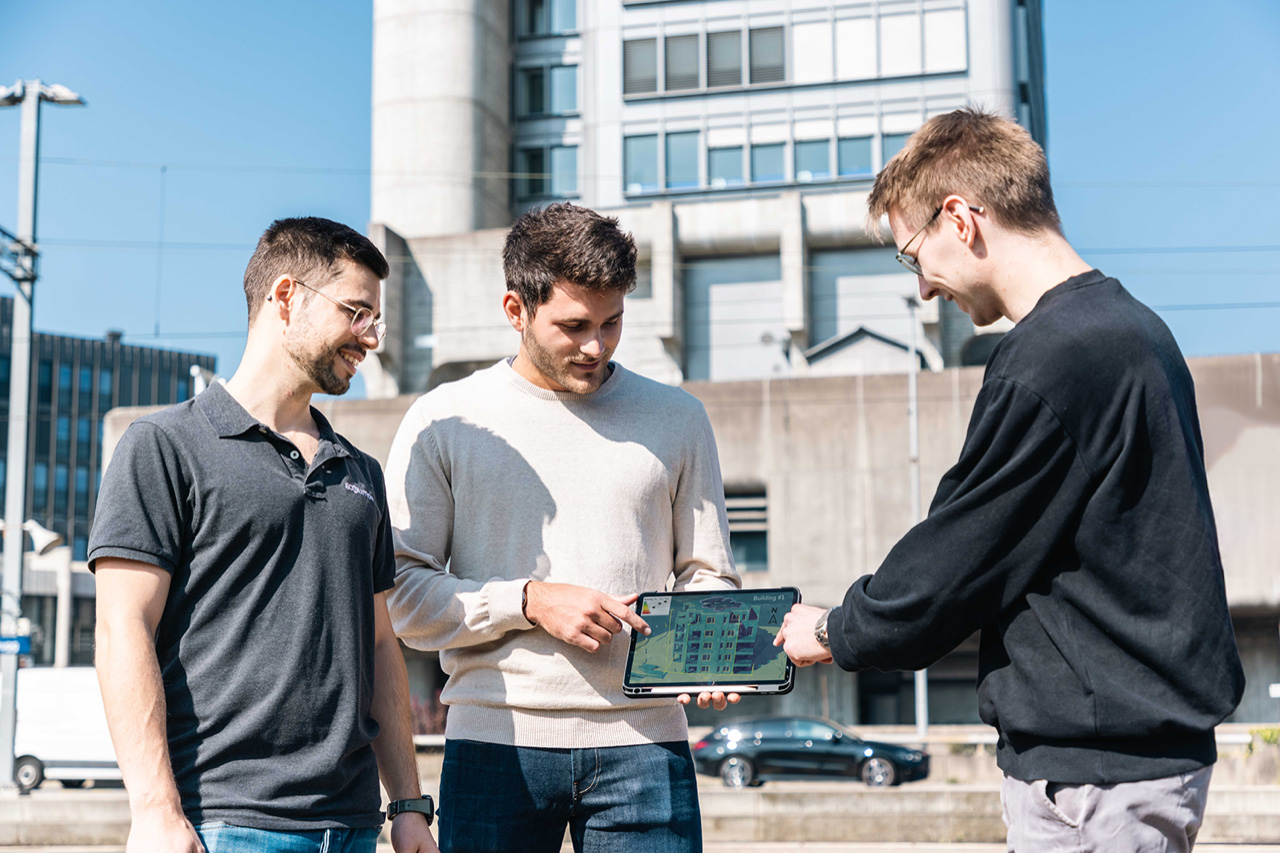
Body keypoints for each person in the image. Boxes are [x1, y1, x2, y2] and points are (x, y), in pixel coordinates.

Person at [774, 109, 1244, 852]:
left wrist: (835, 628)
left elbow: (961, 553)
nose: (925, 289)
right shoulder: (1136, 330)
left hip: (1095, 782)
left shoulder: (1054, 356)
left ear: (959, 218)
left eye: (912, 255)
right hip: (1132, 762)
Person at [384, 202, 741, 853]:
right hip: (496, 746)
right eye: (574, 326)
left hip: (647, 745)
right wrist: (527, 600)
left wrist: (702, 640)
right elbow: (404, 596)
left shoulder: (678, 417)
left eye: (613, 322)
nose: (596, 346)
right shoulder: (444, 420)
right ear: (515, 311)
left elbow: (707, 570)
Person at [91, 217, 438, 853]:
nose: (372, 337)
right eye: (356, 312)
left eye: (376, 319)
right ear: (286, 297)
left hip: (353, 827)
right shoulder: (164, 446)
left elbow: (381, 643)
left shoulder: (360, 470)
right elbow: (122, 631)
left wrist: (408, 804)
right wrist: (154, 810)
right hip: (223, 822)